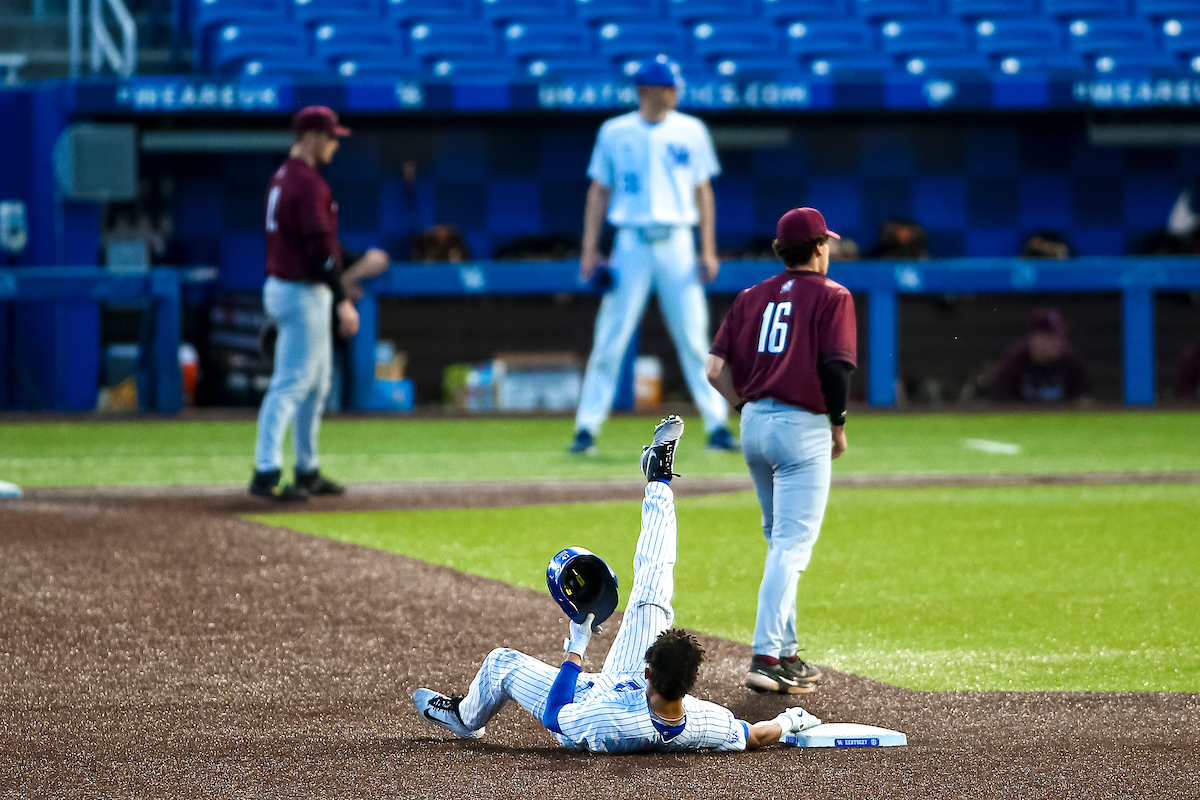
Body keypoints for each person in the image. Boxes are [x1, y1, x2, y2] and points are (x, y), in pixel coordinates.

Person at [413, 416, 822, 753]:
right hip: (629, 690)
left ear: (649, 671)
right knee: (653, 591)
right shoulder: (702, 719)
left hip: (581, 704)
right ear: (689, 684)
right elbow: (753, 735)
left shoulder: (609, 720)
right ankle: (659, 478)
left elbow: (556, 714)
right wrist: (787, 723)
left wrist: (577, 645)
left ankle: (466, 718)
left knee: (501, 663)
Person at [705, 207, 857, 695]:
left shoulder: (751, 296)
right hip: (802, 426)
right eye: (826, 243)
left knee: (779, 542)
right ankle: (766, 656)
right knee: (792, 546)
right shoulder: (833, 295)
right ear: (817, 248)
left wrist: (744, 407)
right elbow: (836, 368)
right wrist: (838, 424)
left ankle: (786, 652)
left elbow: (713, 369)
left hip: (754, 423)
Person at [569, 55, 735, 456]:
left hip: (678, 240)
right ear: (648, 91)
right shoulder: (615, 131)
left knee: (695, 339)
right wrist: (591, 248)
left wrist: (707, 248)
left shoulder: (691, 130)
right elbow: (598, 191)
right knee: (610, 337)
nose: (675, 93)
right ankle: (586, 428)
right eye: (668, 87)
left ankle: (717, 425)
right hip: (631, 241)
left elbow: (703, 192)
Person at [249, 106, 360, 502]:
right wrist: (343, 301)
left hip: (291, 287)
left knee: (316, 386)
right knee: (292, 384)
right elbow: (319, 253)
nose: (334, 145)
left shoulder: (283, 177)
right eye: (330, 137)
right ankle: (266, 472)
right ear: (312, 137)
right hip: (301, 289)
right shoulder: (307, 183)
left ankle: (307, 469)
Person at [988, 307, 1087, 404]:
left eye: (1059, 336)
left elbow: (1081, 400)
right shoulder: (1015, 359)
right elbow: (999, 400)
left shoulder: (1071, 362)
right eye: (1049, 338)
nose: (1057, 342)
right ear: (1033, 338)